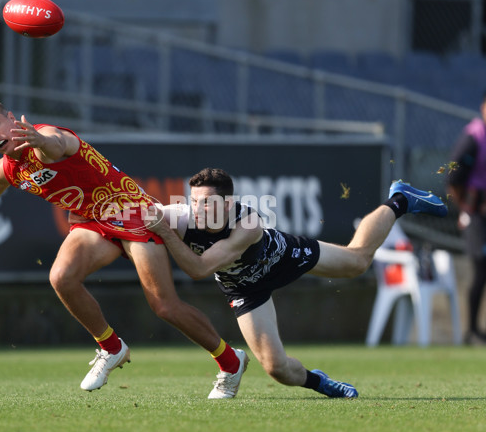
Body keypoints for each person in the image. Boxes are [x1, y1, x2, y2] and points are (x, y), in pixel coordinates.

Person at [0, 101, 248, 399]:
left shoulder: (44, 137)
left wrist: (38, 139)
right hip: (91, 220)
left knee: (165, 307)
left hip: (132, 213)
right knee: (62, 278)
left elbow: (57, 145)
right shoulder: (8, 168)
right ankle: (112, 348)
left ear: (10, 119)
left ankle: (231, 362)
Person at [145, 167, 448, 398]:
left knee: (357, 261)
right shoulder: (180, 218)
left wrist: (167, 233)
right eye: (194, 201)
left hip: (284, 258)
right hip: (245, 289)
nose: (198, 209)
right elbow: (140, 214)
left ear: (228, 204)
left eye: (208, 202)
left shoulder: (247, 224)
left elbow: (198, 269)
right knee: (276, 369)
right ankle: (321, 382)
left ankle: (400, 199)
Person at [447, 95, 486, 345]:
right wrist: (466, 208)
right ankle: (471, 330)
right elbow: (453, 178)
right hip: (475, 215)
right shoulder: (473, 137)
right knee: (481, 266)